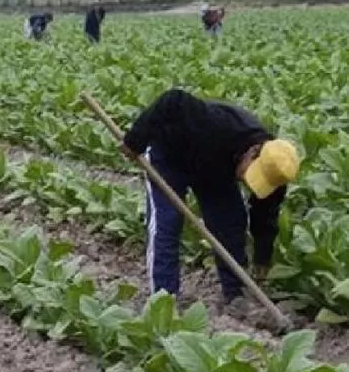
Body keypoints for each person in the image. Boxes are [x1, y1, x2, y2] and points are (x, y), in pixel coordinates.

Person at [122, 88, 300, 317]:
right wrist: (135, 140)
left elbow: (264, 216)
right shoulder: (214, 124)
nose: (248, 181)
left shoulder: (277, 171)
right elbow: (172, 99)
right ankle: (164, 300)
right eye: (251, 173)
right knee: (167, 223)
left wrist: (262, 257)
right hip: (169, 156)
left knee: (231, 222)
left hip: (215, 168)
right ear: (253, 152)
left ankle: (235, 293)